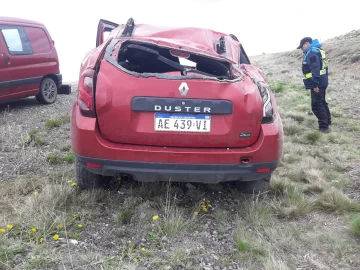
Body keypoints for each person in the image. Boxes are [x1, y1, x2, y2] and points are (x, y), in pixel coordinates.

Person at [297, 37, 332, 133]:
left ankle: (324, 128)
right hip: (322, 81)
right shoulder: (318, 50)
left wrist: (315, 84)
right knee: (322, 102)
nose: (302, 49)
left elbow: (315, 69)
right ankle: (328, 122)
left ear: (306, 43)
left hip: (317, 83)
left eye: (302, 47)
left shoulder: (312, 52)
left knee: (316, 105)